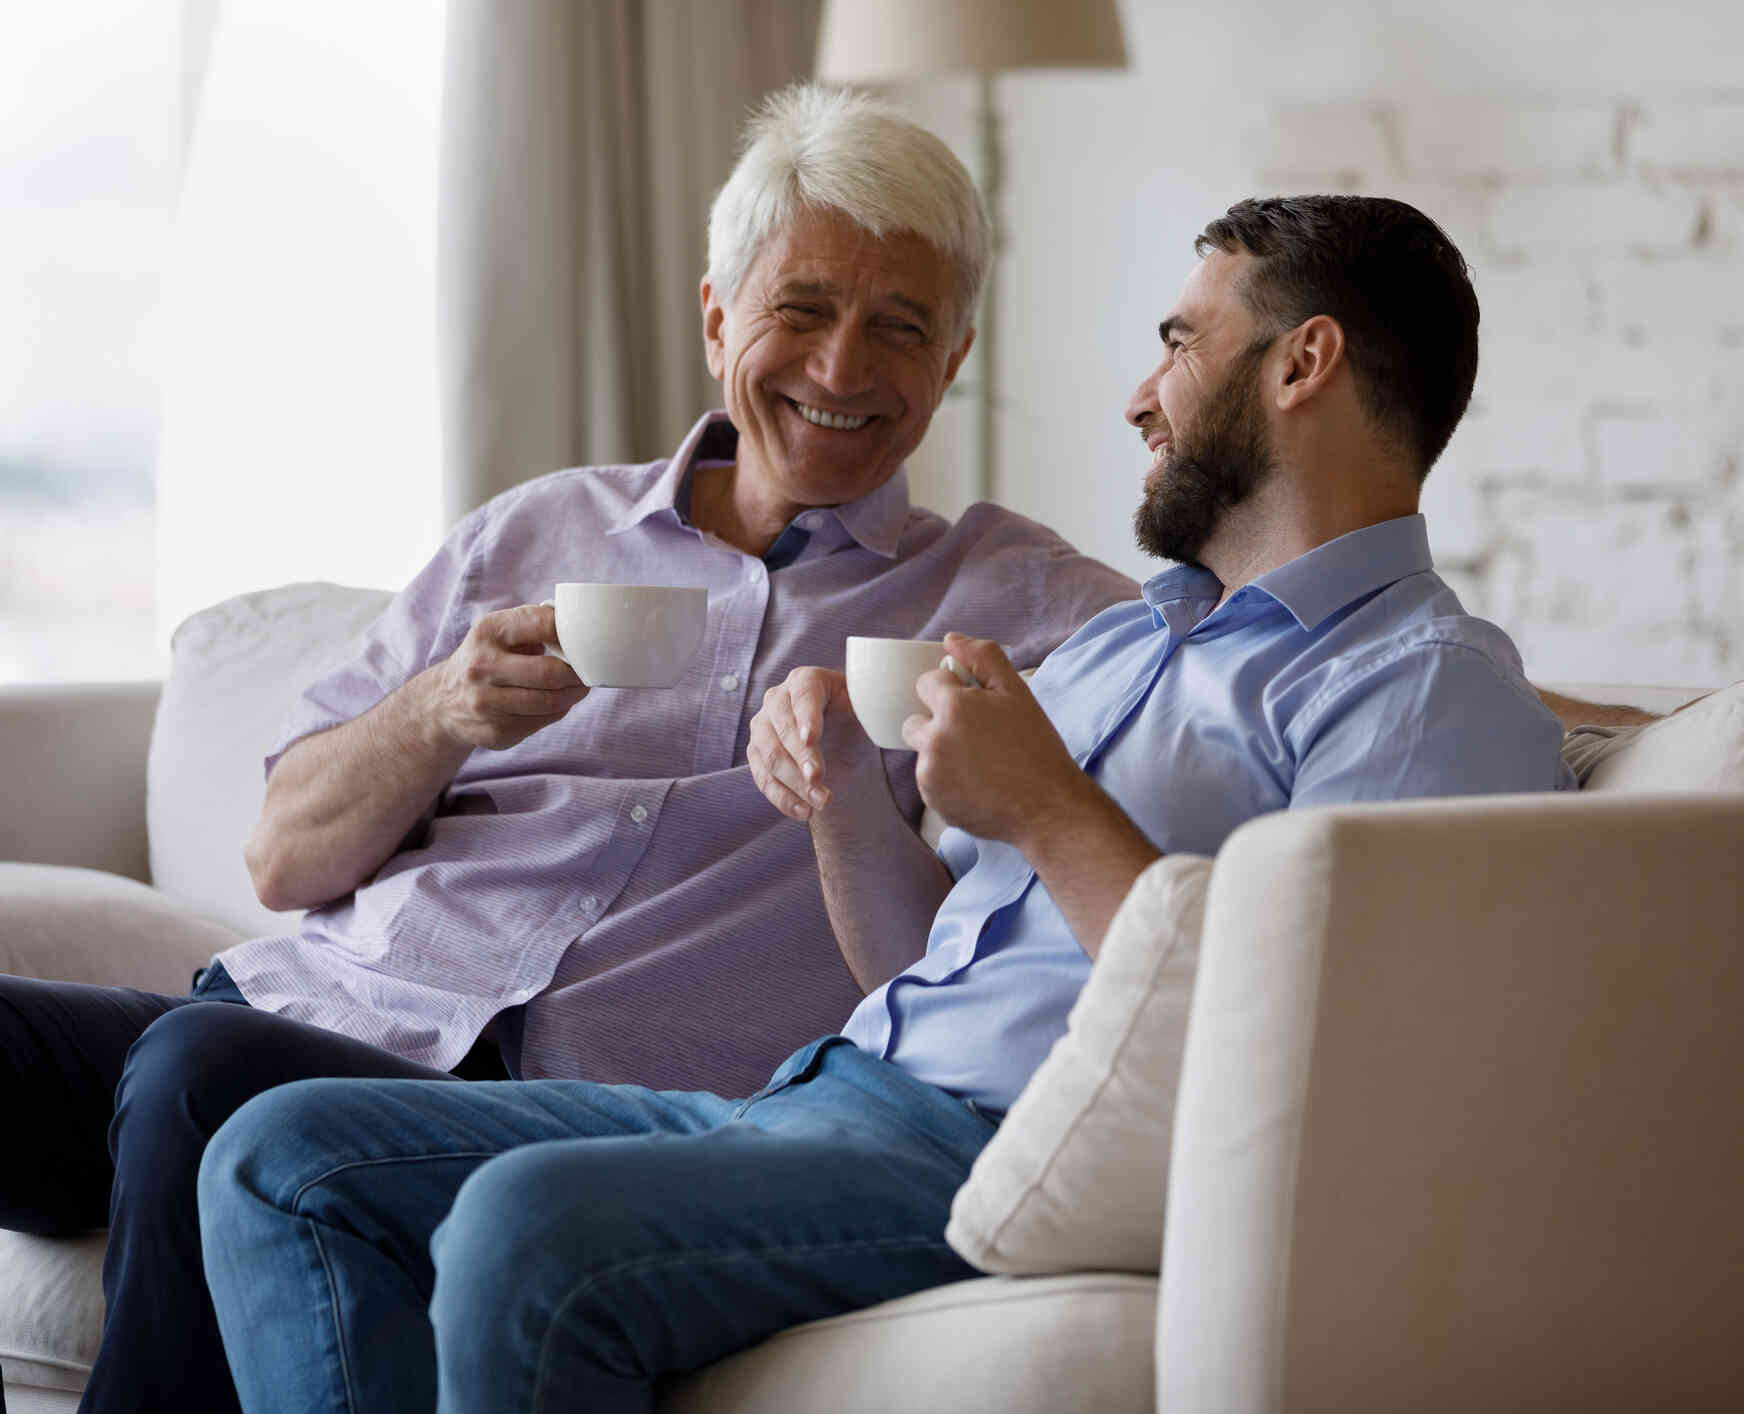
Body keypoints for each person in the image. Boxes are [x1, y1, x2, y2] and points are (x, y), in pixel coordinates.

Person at [196, 192, 1578, 1414]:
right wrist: (845, 798)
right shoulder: (1125, 640)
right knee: (280, 1151)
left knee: (523, 1229)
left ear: (1304, 361)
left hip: (1006, 1153)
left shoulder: (1422, 690)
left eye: (1176, 339)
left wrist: (1046, 811)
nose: (1139, 395)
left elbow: (1339, 1061)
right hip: (834, 1088)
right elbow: (921, 965)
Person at [0, 86, 1137, 1414]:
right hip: (318, 1009)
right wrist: (441, 711)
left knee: (201, 1081)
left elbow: (1201, 693)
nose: (843, 368)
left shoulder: (1017, 603)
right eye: (801, 310)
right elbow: (281, 855)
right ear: (716, 315)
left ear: (954, 358)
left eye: (898, 327)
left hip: (568, 1114)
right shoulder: (534, 531)